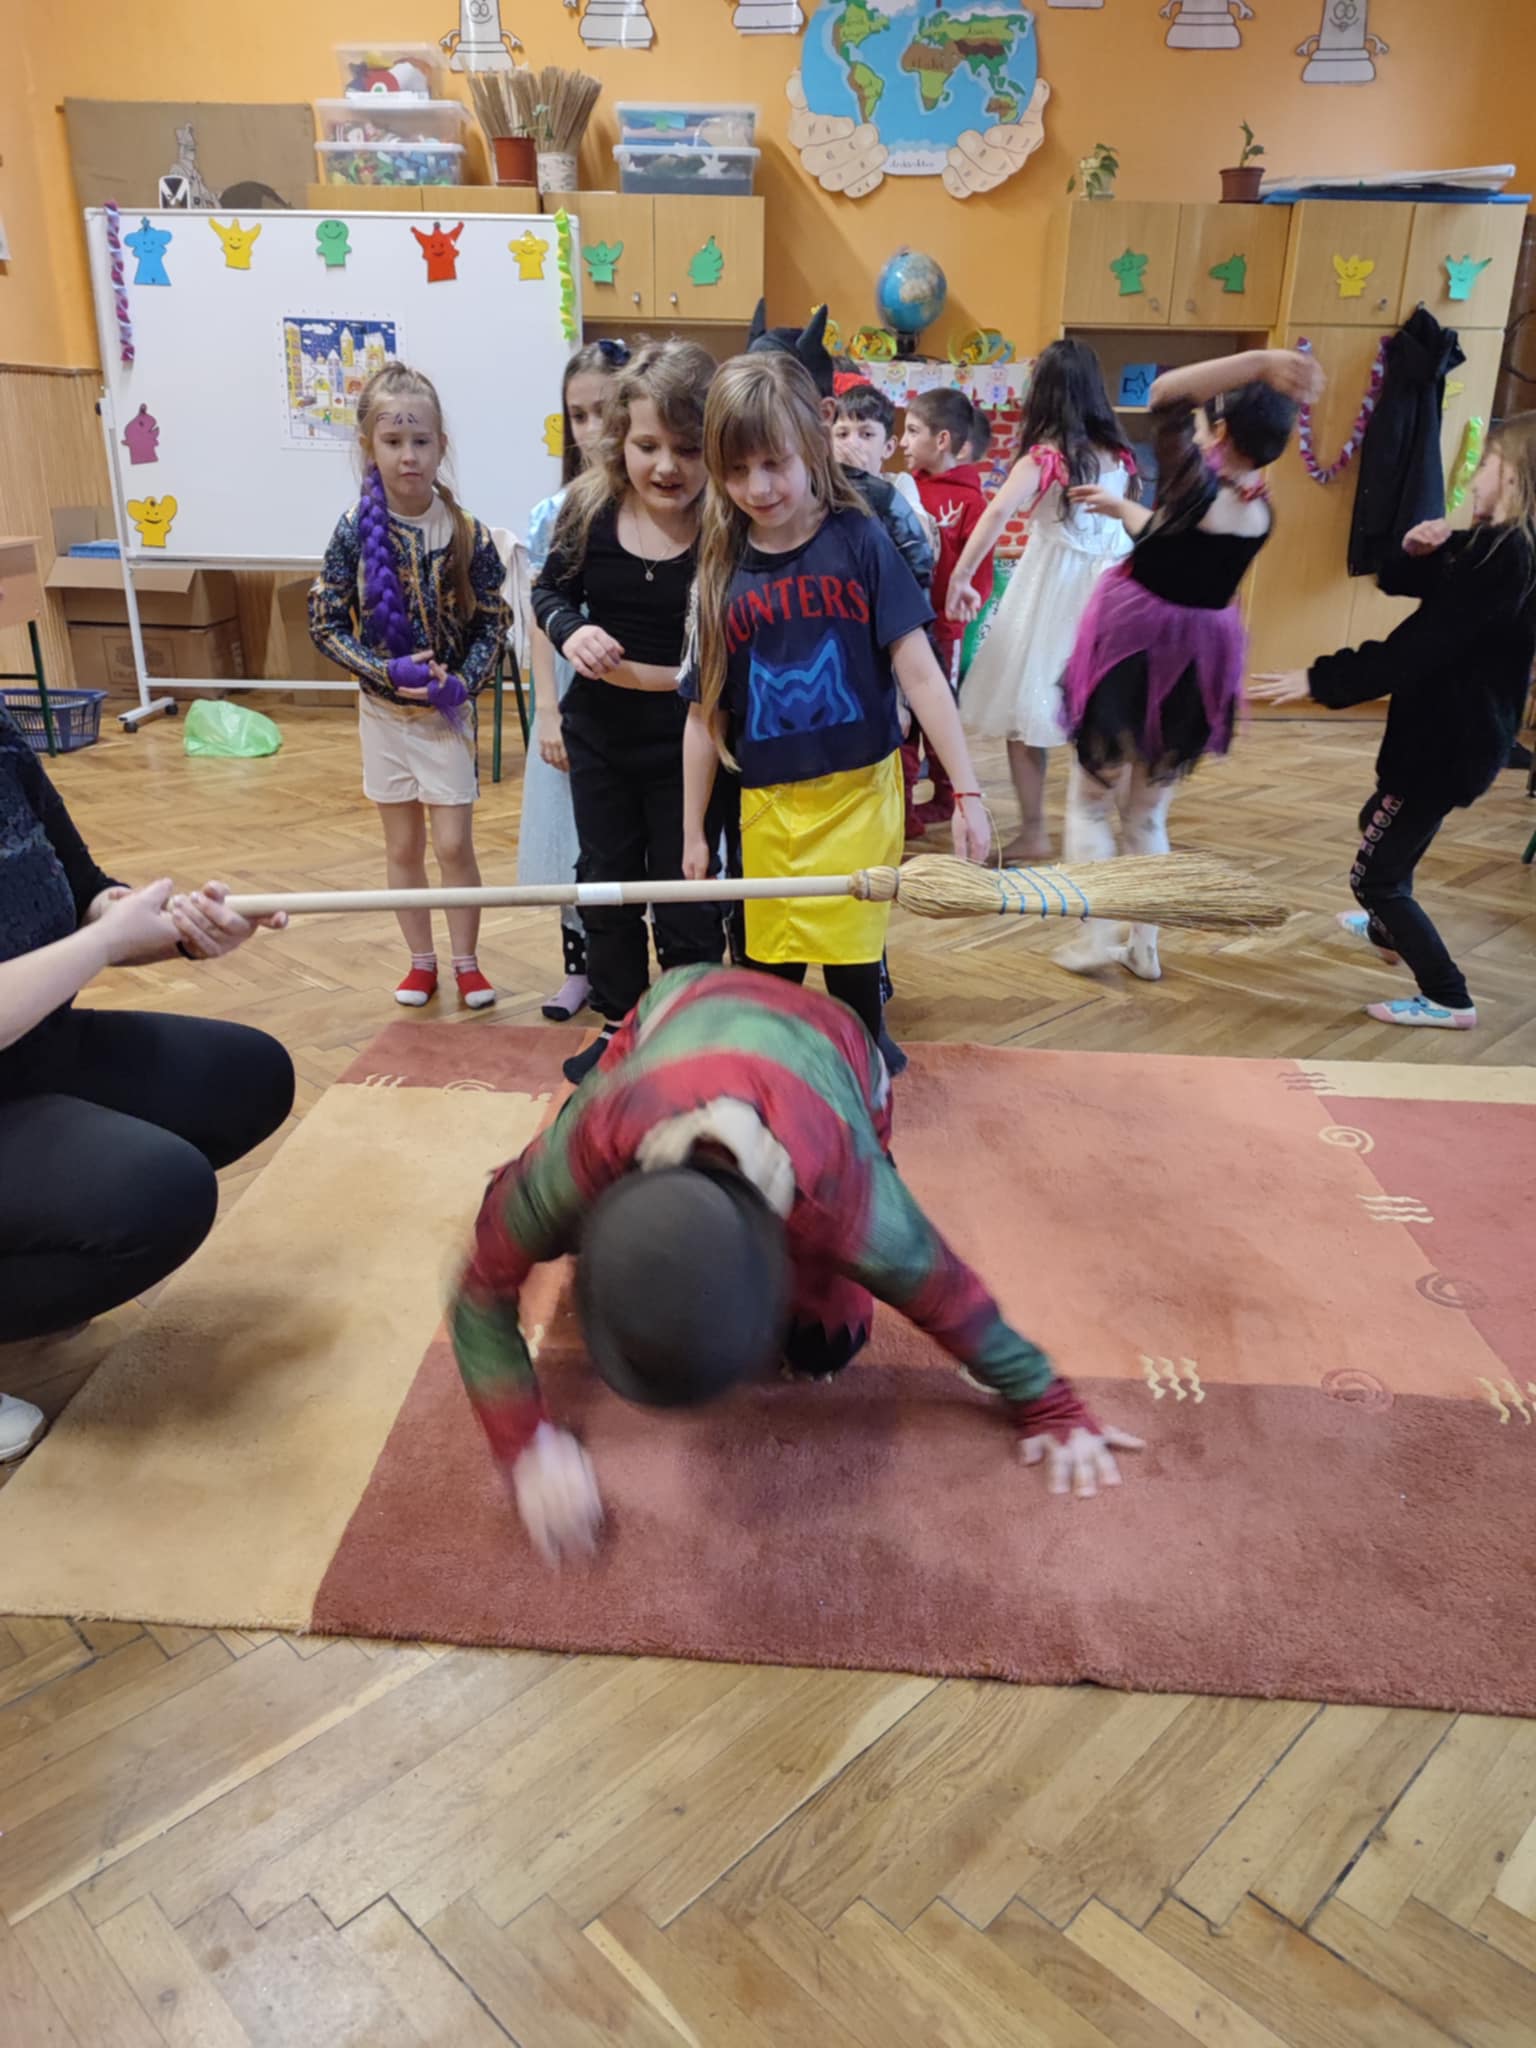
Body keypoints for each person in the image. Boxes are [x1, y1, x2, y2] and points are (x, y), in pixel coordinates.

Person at [449, 964, 1143, 1562]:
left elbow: (952, 1298)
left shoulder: (853, 1202)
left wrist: (1049, 1402)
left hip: (835, 1044)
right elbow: (479, 1291)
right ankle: (555, 1218)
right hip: (679, 1004)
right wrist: (525, 1444)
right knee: (517, 1217)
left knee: (827, 1342)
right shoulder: (594, 1135)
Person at [678, 353, 992, 1059]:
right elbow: (704, 714)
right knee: (771, 978)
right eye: (736, 471)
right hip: (769, 811)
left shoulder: (859, 539)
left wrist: (968, 790)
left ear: (813, 441)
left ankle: (865, 1065)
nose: (758, 488)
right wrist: (694, 830)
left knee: (854, 971)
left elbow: (920, 671)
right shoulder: (719, 569)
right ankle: (779, 1079)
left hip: (860, 798)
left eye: (774, 463)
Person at [0, 705, 293, 1458]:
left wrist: (185, 930)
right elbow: (96, 938)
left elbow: (88, 893)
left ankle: (28, 1271)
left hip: (30, 1051)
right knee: (161, 1192)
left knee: (249, 1077)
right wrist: (104, 941)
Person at [1251, 415, 1536, 1028]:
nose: (1475, 479)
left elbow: (1419, 647)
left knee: (1375, 877)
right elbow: (1413, 584)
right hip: (1449, 739)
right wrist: (1412, 552)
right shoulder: (1492, 547)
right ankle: (1387, 932)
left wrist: (1322, 680)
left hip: (1446, 745)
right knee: (1377, 822)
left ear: (1514, 478)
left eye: (1487, 466)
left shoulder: (1506, 560)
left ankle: (1447, 996)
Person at [1054, 347, 1323, 981]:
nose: (1194, 430)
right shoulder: (1256, 508)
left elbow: (1166, 395)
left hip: (1134, 653)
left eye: (1205, 425)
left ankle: (1095, 937)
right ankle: (1144, 946)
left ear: (1220, 432)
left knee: (1089, 803)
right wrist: (1125, 512)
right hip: (1198, 662)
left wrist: (1260, 361)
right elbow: (1175, 542)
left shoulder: (1193, 482)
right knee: (1146, 814)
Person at [531, 340, 726, 1086]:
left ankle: (687, 1026)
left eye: (688, 449)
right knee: (604, 880)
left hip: (690, 742)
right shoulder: (589, 509)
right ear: (621, 441)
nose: (667, 467)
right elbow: (548, 592)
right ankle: (618, 1025)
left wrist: (670, 679)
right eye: (648, 447)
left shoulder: (725, 524)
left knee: (685, 887)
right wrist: (569, 630)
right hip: (603, 738)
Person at [311, 361, 510, 1011]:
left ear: (440, 445)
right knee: (403, 846)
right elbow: (323, 622)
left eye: (420, 441)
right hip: (383, 720)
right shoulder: (352, 529)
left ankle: (467, 961)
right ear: (368, 445)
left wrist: (464, 685)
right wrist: (381, 671)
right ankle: (421, 962)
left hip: (444, 720)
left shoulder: (467, 532)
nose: (408, 456)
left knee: (453, 844)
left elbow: (494, 622)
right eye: (393, 441)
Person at [948, 340, 1136, 862]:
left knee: (1024, 712)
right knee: (1104, 713)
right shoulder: (1118, 452)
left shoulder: (1047, 456)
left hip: (1056, 586)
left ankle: (1035, 830)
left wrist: (961, 575)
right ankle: (1127, 830)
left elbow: (997, 512)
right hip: (1115, 586)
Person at [519, 339, 630, 1022]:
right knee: (571, 834)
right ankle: (580, 967)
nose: (592, 431)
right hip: (571, 687)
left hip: (639, 684)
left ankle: (647, 968)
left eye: (605, 412)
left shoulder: (660, 501)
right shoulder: (554, 512)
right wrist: (549, 712)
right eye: (578, 416)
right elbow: (541, 618)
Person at [901, 388, 994, 831]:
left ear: (942, 440)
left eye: (912, 431)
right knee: (901, 719)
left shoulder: (973, 502)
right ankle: (900, 806)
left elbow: (980, 572)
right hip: (902, 628)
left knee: (938, 714)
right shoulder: (905, 491)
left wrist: (959, 612)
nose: (903, 442)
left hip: (942, 632)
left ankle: (944, 794)